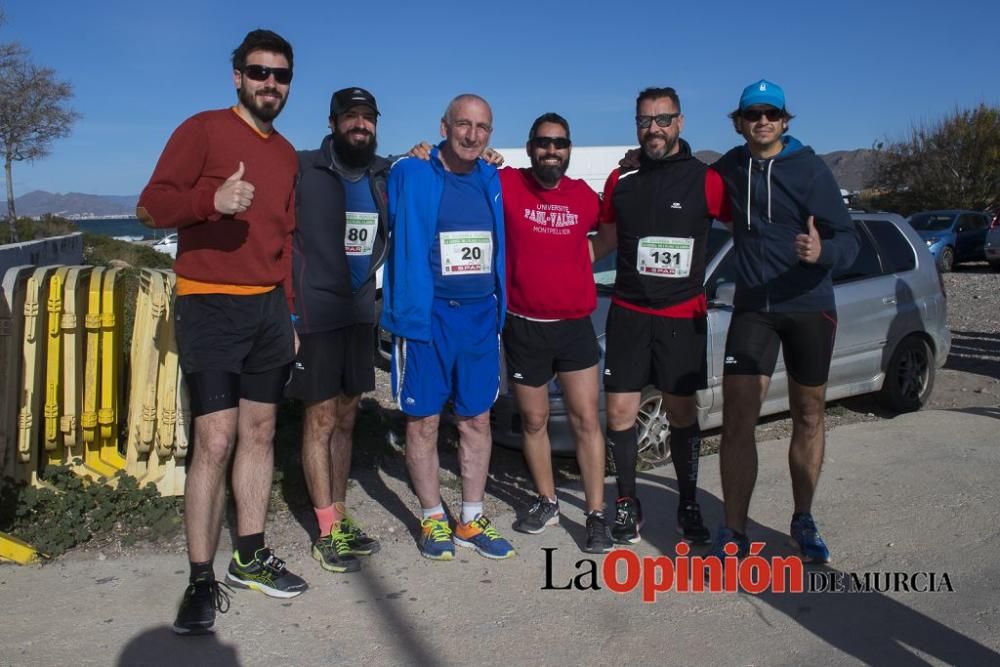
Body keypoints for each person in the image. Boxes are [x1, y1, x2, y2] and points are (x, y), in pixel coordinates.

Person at [136, 29, 306, 635]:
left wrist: (287, 315)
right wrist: (214, 198)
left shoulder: (286, 152)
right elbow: (150, 205)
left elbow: (283, 241)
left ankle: (250, 555)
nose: (271, 84)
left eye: (281, 75)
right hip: (209, 304)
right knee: (214, 439)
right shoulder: (203, 129)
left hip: (266, 311)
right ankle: (200, 578)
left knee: (260, 432)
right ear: (237, 75)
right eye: (259, 72)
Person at [711, 79, 859, 562]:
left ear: (784, 120)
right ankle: (733, 531)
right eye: (752, 114)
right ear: (739, 122)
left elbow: (849, 240)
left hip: (808, 306)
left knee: (809, 414)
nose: (762, 121)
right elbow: (685, 173)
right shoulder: (732, 167)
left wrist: (823, 252)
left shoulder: (810, 170)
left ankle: (803, 517)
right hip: (754, 308)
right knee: (737, 418)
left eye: (770, 114)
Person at [380, 94, 515, 561]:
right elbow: (363, 188)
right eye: (463, 124)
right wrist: (407, 152)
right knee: (423, 421)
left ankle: (471, 518)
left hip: (480, 318)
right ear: (444, 126)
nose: (472, 134)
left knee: (477, 419)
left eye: (482, 127)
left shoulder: (495, 178)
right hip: (427, 316)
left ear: (490, 134)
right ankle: (433, 517)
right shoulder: (410, 173)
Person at [595, 87, 726, 546]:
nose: (654, 128)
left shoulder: (707, 180)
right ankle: (627, 503)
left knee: (682, 413)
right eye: (645, 120)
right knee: (619, 413)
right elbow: (603, 240)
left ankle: (688, 503)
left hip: (681, 316)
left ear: (681, 122)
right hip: (629, 313)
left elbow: (749, 229)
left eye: (663, 119)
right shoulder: (621, 181)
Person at [497, 113, 613, 553]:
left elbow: (609, 233)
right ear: (530, 147)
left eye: (560, 144)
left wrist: (579, 255)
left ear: (569, 149)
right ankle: (547, 501)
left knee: (586, 420)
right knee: (534, 420)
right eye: (544, 143)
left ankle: (596, 514)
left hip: (573, 328)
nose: (552, 151)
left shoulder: (583, 195)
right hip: (524, 326)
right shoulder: (507, 183)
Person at [287, 87, 389, 574]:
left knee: (348, 418)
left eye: (368, 118)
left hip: (360, 313)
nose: (360, 125)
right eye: (351, 117)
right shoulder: (303, 168)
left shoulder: (383, 174)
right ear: (332, 122)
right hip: (315, 313)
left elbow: (437, 165)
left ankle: (340, 515)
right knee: (320, 419)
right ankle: (325, 529)